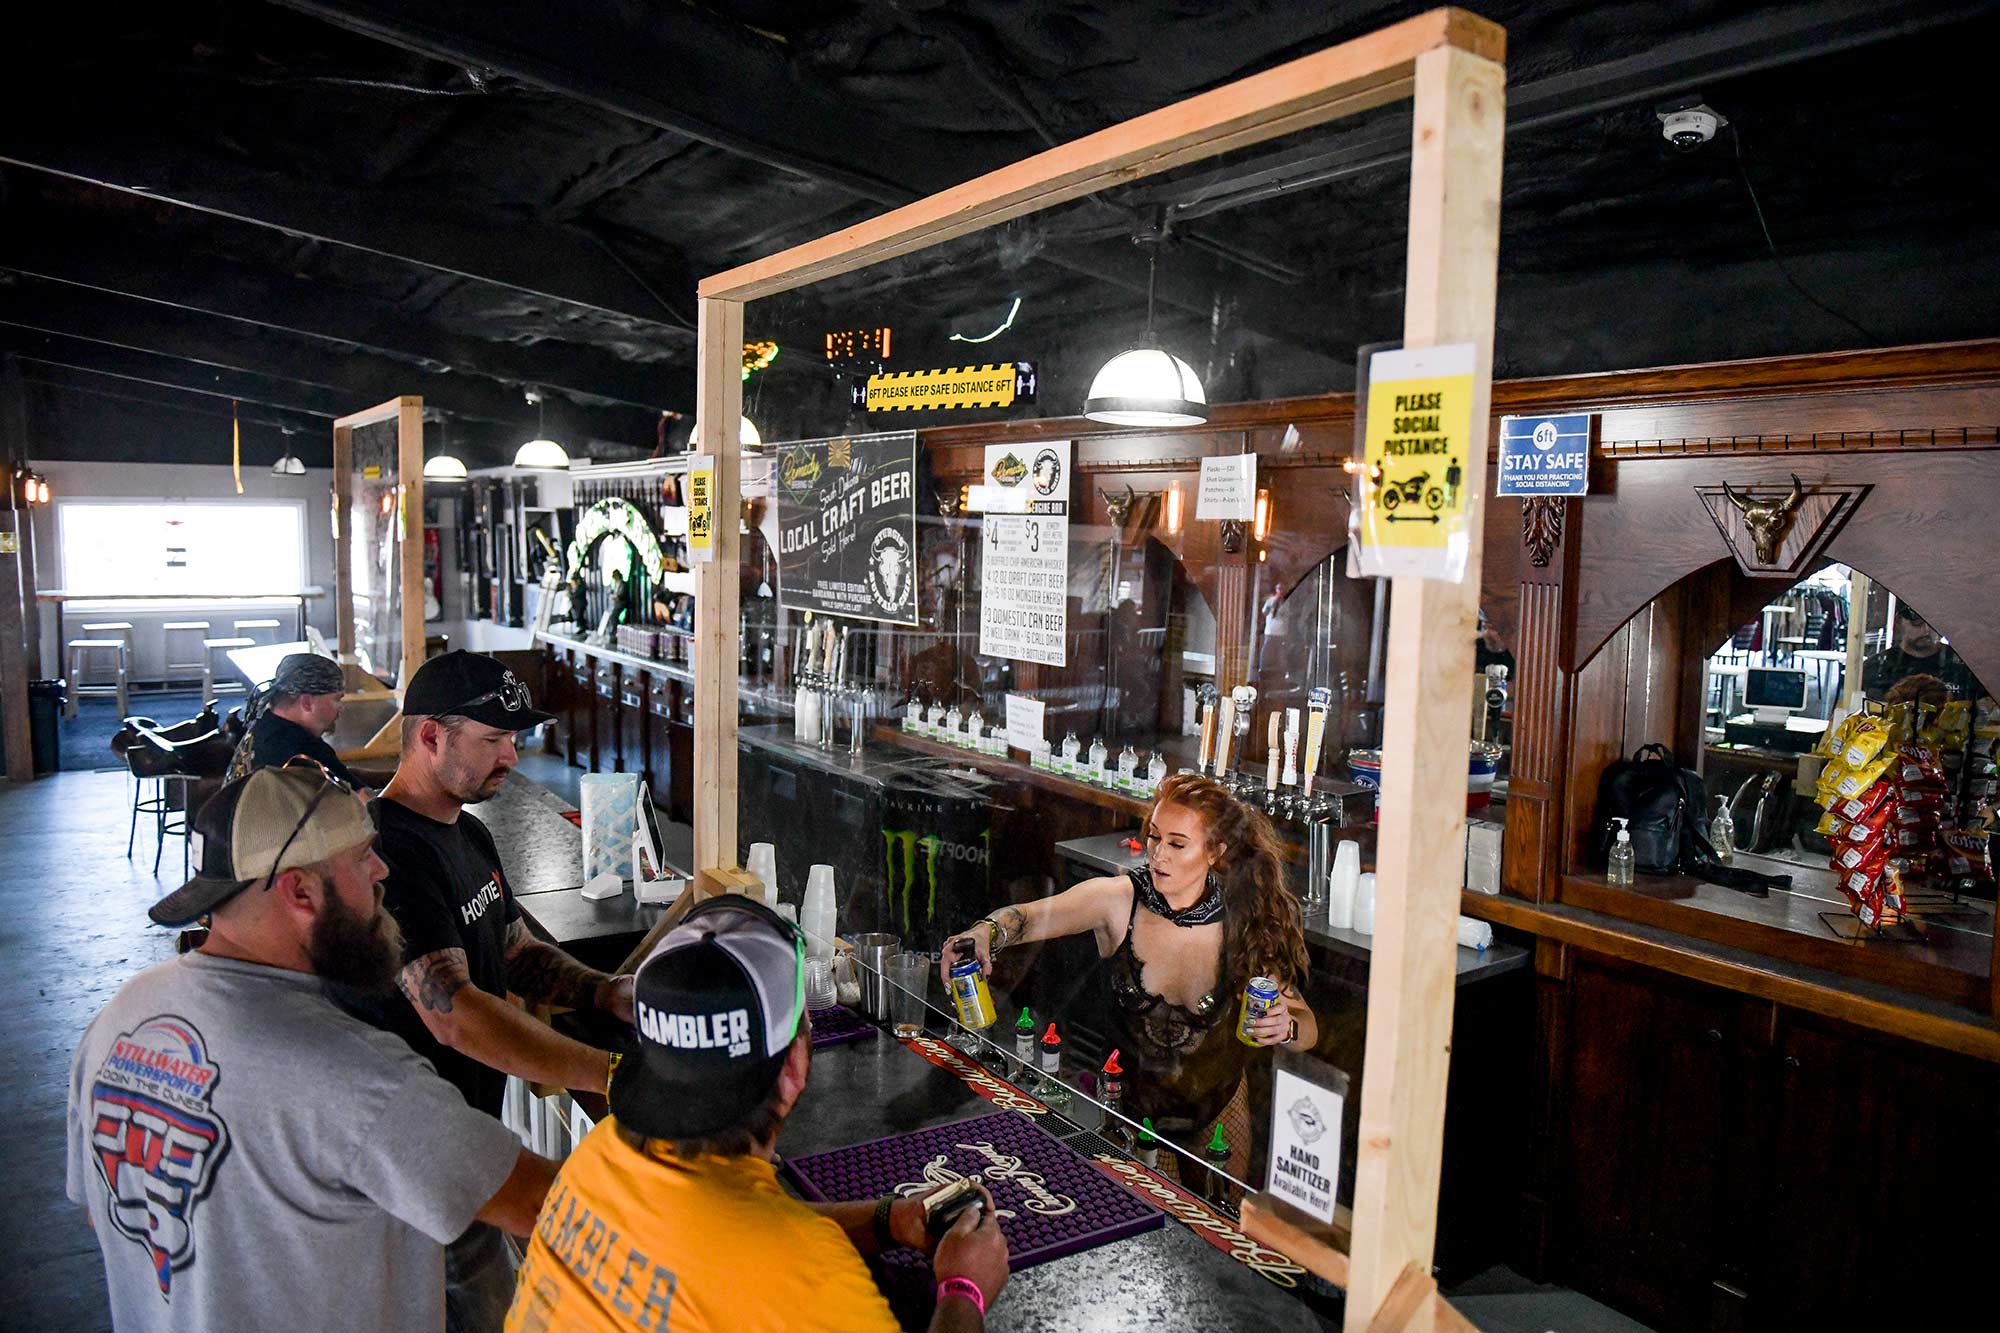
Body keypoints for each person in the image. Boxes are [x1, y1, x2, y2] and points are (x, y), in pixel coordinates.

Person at [66, 766, 558, 1332]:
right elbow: (542, 1205)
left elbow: (101, 1212)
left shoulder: (120, 1018)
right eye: (361, 858)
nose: (382, 871)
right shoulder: (356, 1075)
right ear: (298, 890)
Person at [506, 896, 1010, 1332]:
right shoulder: (810, 1279)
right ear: (795, 1064)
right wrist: (964, 1289)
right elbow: (767, 1245)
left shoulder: (604, 1155)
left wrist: (888, 1220)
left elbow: (740, 1228)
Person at [346, 650, 635, 1333]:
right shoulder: (392, 855)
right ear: (429, 736)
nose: (512, 755)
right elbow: (457, 1016)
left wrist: (606, 993)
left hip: (463, 1134)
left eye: (514, 738)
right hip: (415, 1162)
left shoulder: (467, 830)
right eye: (493, 739)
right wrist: (613, 1075)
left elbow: (516, 951)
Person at [942, 773, 1314, 1176]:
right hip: (1135, 1114)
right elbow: (1029, 918)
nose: (1158, 855)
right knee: (1163, 1222)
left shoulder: (1245, 918)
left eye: (1177, 844)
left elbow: (1306, 1026)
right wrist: (985, 932)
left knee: (1220, 1224)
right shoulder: (1119, 901)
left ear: (1215, 852)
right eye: (1154, 837)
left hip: (1222, 1110)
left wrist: (1287, 1029)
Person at [224, 652, 359, 786]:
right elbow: (363, 800)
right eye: (337, 699)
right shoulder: (303, 753)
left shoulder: (265, 725)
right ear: (306, 703)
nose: (341, 709)